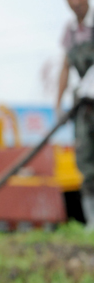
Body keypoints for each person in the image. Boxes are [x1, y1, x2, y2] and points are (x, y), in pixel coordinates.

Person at [57, 0, 94, 229]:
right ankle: (92, 221)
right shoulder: (70, 32)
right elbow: (65, 66)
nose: (75, 3)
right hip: (84, 106)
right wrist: (58, 102)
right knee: (86, 162)